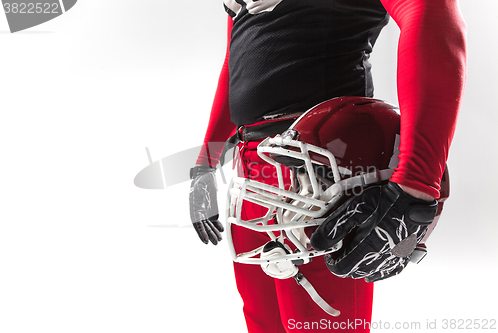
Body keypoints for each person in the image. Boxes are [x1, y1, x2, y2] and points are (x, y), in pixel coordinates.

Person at [188, 0, 467, 332]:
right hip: (250, 164)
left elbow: (432, 11)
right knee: (264, 322)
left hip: (323, 161)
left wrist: (417, 181)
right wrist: (205, 162)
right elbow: (240, 55)